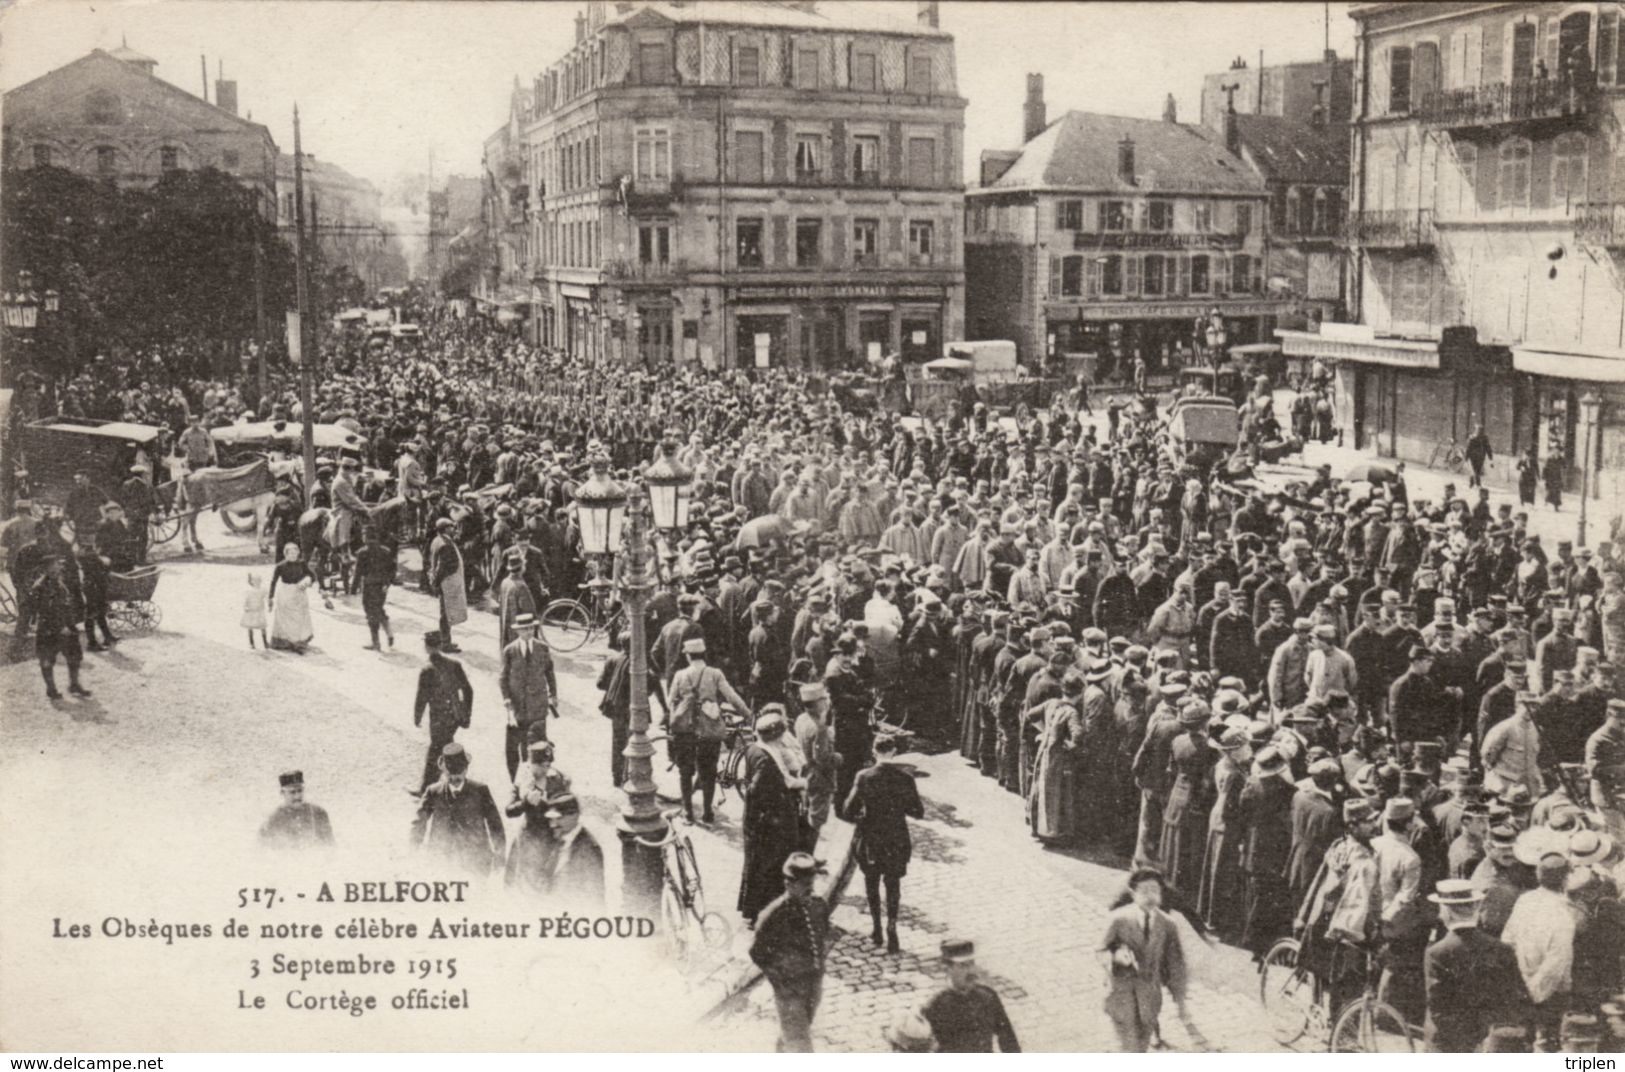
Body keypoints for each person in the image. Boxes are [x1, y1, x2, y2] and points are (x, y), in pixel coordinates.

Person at [1420, 878, 1528, 1052]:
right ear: (1475, 909)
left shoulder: (1437, 953)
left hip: (1454, 1044)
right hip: (1494, 1041)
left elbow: (1438, 1008)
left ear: (1446, 911)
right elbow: (1517, 996)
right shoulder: (1501, 948)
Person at [845, 733, 925, 953]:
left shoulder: (863, 777)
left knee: (871, 882)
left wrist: (863, 815)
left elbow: (848, 809)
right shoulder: (906, 777)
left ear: (874, 752)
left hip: (871, 840)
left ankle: (877, 928)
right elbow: (918, 812)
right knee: (893, 884)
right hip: (896, 839)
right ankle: (892, 926)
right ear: (894, 752)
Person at [1098, 866, 1189, 1053]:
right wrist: (1115, 956)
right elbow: (1100, 950)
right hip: (1121, 995)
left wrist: (1180, 1002)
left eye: (1155, 890)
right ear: (1133, 893)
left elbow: (1176, 965)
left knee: (1141, 1047)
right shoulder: (1118, 920)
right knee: (1129, 1047)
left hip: (1149, 999)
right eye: (1144, 891)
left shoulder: (1167, 925)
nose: (1150, 896)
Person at [749, 853, 830, 1052]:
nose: (809, 888)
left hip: (813, 985)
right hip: (790, 991)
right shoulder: (774, 914)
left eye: (811, 882)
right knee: (801, 1046)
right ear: (789, 883)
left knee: (795, 1035)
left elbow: (822, 936)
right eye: (804, 884)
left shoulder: (818, 906)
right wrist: (781, 982)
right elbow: (757, 952)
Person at [666, 636, 748, 824]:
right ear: (704, 654)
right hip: (709, 728)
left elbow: (671, 700)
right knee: (709, 771)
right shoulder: (715, 673)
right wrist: (748, 714)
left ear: (688, 656)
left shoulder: (680, 675)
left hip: (685, 729)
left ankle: (688, 812)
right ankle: (707, 813)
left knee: (685, 772)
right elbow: (732, 697)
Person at [1500, 852, 1578, 1050]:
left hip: (1521, 984)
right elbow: (1557, 963)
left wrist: (1522, 985)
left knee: (1523, 1044)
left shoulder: (1525, 900)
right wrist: (1535, 993)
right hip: (1549, 994)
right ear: (1566, 879)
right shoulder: (1564, 915)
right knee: (1548, 1046)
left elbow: (1507, 940)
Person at [738, 708, 808, 925]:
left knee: (757, 864)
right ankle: (769, 913)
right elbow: (758, 787)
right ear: (777, 735)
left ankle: (754, 911)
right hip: (770, 822)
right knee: (770, 865)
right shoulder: (766, 759)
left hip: (758, 820)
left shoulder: (754, 749)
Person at [410, 742, 505, 875]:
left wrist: (500, 856)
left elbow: (495, 825)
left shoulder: (480, 791)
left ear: (466, 769)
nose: (455, 778)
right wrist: (413, 849)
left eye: (459, 772)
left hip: (475, 863)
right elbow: (419, 822)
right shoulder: (433, 791)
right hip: (442, 862)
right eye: (450, 774)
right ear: (444, 772)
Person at [919, 939, 1022, 1052]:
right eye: (963, 965)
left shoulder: (988, 996)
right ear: (948, 968)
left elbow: (1008, 1039)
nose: (970, 970)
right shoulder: (935, 1006)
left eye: (971, 963)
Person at [504, 740, 571, 894]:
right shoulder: (523, 781)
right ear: (531, 763)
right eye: (541, 765)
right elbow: (509, 811)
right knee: (521, 886)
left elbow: (567, 808)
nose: (545, 769)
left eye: (547, 765)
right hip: (528, 838)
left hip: (550, 839)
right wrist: (525, 802)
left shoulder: (558, 780)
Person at [499, 612, 559, 780]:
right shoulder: (510, 651)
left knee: (536, 746)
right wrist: (506, 698)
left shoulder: (542, 648)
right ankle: (514, 780)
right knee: (513, 747)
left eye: (531, 628)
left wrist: (553, 694)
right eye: (525, 629)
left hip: (537, 708)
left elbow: (549, 672)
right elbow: (503, 677)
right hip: (517, 708)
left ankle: (535, 779)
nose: (529, 632)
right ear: (518, 631)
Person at [413, 630, 473, 793]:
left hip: (438, 718)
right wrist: (467, 713)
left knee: (437, 751)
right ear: (440, 645)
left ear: (426, 647)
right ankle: (446, 785)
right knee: (443, 747)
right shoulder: (454, 665)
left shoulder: (427, 670)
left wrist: (417, 717)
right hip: (453, 716)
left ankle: (430, 788)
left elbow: (421, 697)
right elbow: (468, 690)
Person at [31, 555, 89, 700]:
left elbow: (65, 604)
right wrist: (60, 627)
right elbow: (46, 611)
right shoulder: (42, 586)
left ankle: (74, 685)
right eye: (56, 564)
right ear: (48, 567)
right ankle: (51, 690)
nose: (60, 566)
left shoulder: (58, 581)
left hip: (66, 626)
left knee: (74, 655)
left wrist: (71, 624)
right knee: (47, 660)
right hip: (49, 629)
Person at [793, 680, 839, 853]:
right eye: (824, 699)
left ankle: (802, 854)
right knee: (816, 819)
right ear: (818, 703)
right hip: (819, 778)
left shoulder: (801, 719)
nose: (827, 702)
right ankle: (807, 857)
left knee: (806, 813)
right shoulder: (819, 728)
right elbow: (822, 758)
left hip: (804, 772)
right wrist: (838, 758)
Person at [543, 794, 604, 908]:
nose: (552, 824)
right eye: (551, 819)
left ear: (574, 815)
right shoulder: (557, 839)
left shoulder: (590, 849)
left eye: (558, 818)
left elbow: (595, 899)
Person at [267, 543, 327, 654]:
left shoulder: (301, 563)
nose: (293, 555)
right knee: (286, 618)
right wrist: (270, 597)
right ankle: (286, 642)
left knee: (299, 618)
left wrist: (308, 580)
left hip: (299, 593)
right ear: (286, 554)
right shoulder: (280, 566)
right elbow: (273, 582)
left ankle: (298, 642)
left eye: (295, 553)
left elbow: (312, 575)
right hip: (286, 593)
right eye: (290, 553)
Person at [258, 770, 334, 849]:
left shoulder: (318, 813)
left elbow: (330, 846)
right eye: (292, 792)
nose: (297, 796)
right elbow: (263, 851)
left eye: (299, 791)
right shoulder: (273, 820)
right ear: (282, 793)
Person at [353, 526, 396, 650]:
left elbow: (358, 572)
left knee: (370, 612)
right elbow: (392, 570)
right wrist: (387, 584)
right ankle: (389, 632)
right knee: (378, 608)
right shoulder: (386, 551)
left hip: (369, 586)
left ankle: (375, 642)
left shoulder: (362, 552)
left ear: (365, 537)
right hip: (382, 587)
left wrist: (353, 589)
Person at [428, 516, 466, 653]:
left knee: (446, 612)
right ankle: (445, 643)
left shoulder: (437, 541)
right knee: (446, 613)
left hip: (444, 582)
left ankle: (446, 640)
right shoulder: (445, 544)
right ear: (445, 529)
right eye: (451, 527)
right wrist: (438, 583)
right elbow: (442, 567)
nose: (453, 529)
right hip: (447, 583)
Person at [241, 571, 268, 649]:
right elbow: (246, 600)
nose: (258, 582)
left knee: (263, 626)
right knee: (250, 627)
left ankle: (265, 642)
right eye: (256, 581)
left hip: (259, 611)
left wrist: (269, 602)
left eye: (259, 581)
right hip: (251, 611)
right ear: (252, 582)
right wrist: (246, 607)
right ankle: (251, 643)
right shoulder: (249, 591)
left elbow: (266, 596)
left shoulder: (262, 590)